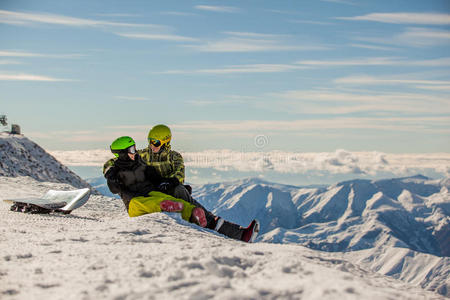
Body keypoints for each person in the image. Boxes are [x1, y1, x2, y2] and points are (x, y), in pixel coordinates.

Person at [104, 136, 259, 242]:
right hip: (133, 201)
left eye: (135, 148)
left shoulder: (142, 162)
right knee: (148, 203)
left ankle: (192, 213)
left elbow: (156, 178)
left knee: (173, 198)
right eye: (131, 150)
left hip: (151, 192)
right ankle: (168, 206)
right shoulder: (116, 169)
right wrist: (111, 175)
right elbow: (114, 188)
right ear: (123, 154)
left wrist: (169, 182)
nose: (135, 151)